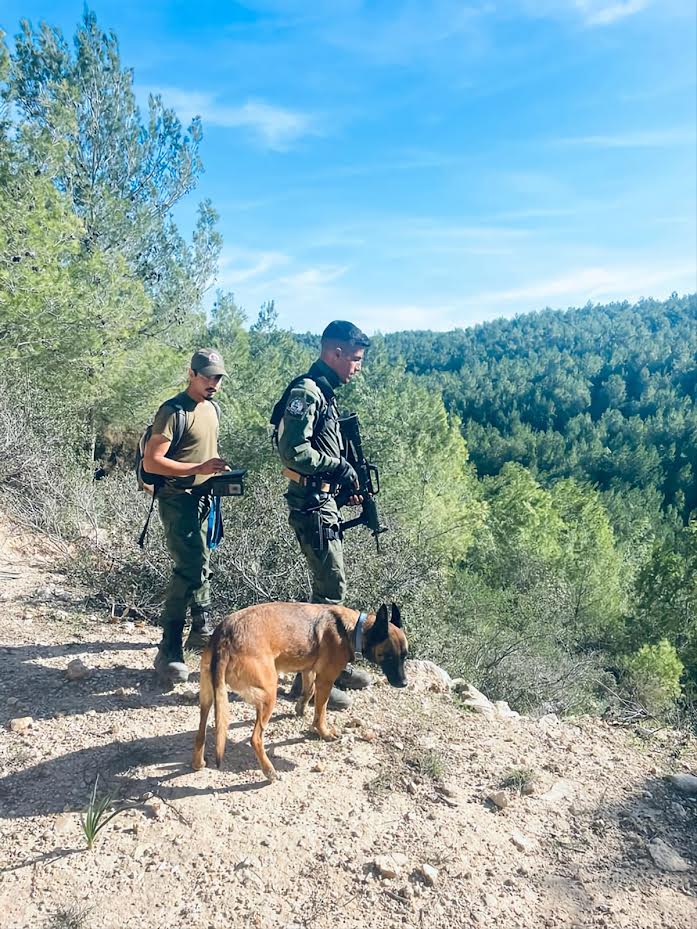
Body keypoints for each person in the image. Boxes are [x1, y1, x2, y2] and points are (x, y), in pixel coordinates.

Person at [274, 320, 373, 709]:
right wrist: (338, 468)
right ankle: (311, 682)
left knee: (331, 589)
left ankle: (332, 665)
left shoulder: (326, 395)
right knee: (329, 592)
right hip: (311, 504)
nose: (357, 367)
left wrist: (343, 486)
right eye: (355, 359)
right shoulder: (307, 392)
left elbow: (320, 451)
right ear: (335, 353)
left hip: (322, 500)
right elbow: (293, 452)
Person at [143, 348, 230, 684]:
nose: (213, 383)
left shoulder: (212, 409)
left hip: (205, 499)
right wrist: (197, 468)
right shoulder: (172, 411)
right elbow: (153, 462)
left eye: (218, 377)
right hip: (177, 499)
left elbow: (205, 451)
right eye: (207, 376)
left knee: (203, 563)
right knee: (189, 567)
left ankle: (201, 630)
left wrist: (217, 470)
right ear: (191, 374)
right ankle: (168, 648)